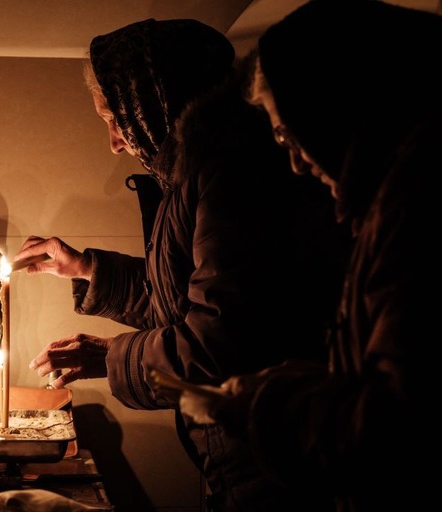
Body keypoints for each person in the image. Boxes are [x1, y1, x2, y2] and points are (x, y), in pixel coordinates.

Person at [15, 18, 350, 512]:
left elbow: (216, 343)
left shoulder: (231, 175)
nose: (114, 142)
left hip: (273, 457)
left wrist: (112, 357)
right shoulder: (189, 174)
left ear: (152, 99)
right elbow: (184, 297)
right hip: (244, 448)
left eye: (114, 118)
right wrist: (88, 268)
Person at [176, 1, 441, 511]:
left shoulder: (416, 204)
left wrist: (268, 407)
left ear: (332, 106)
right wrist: (315, 382)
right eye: (279, 137)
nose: (295, 162)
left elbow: (404, 427)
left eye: (288, 129)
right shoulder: (383, 200)